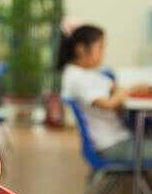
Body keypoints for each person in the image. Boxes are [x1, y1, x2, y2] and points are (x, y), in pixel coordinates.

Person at [59, 25, 152, 160]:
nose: (103, 53)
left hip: (118, 137)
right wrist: (130, 90)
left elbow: (113, 88)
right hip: (111, 145)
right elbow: (108, 104)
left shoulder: (87, 72)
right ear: (81, 49)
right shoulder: (75, 76)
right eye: (100, 47)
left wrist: (121, 91)